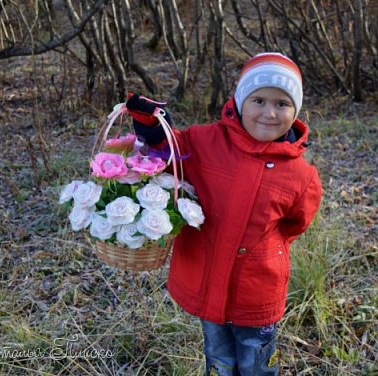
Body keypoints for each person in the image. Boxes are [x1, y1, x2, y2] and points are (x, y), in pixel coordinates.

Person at [125, 52, 322, 376]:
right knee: (218, 359)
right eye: (258, 100)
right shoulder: (206, 141)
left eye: (282, 104)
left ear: (295, 111)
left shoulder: (301, 175)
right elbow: (169, 155)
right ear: (241, 100)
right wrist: (152, 125)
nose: (269, 113)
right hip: (207, 279)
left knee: (256, 363)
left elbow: (295, 224)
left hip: (257, 293)